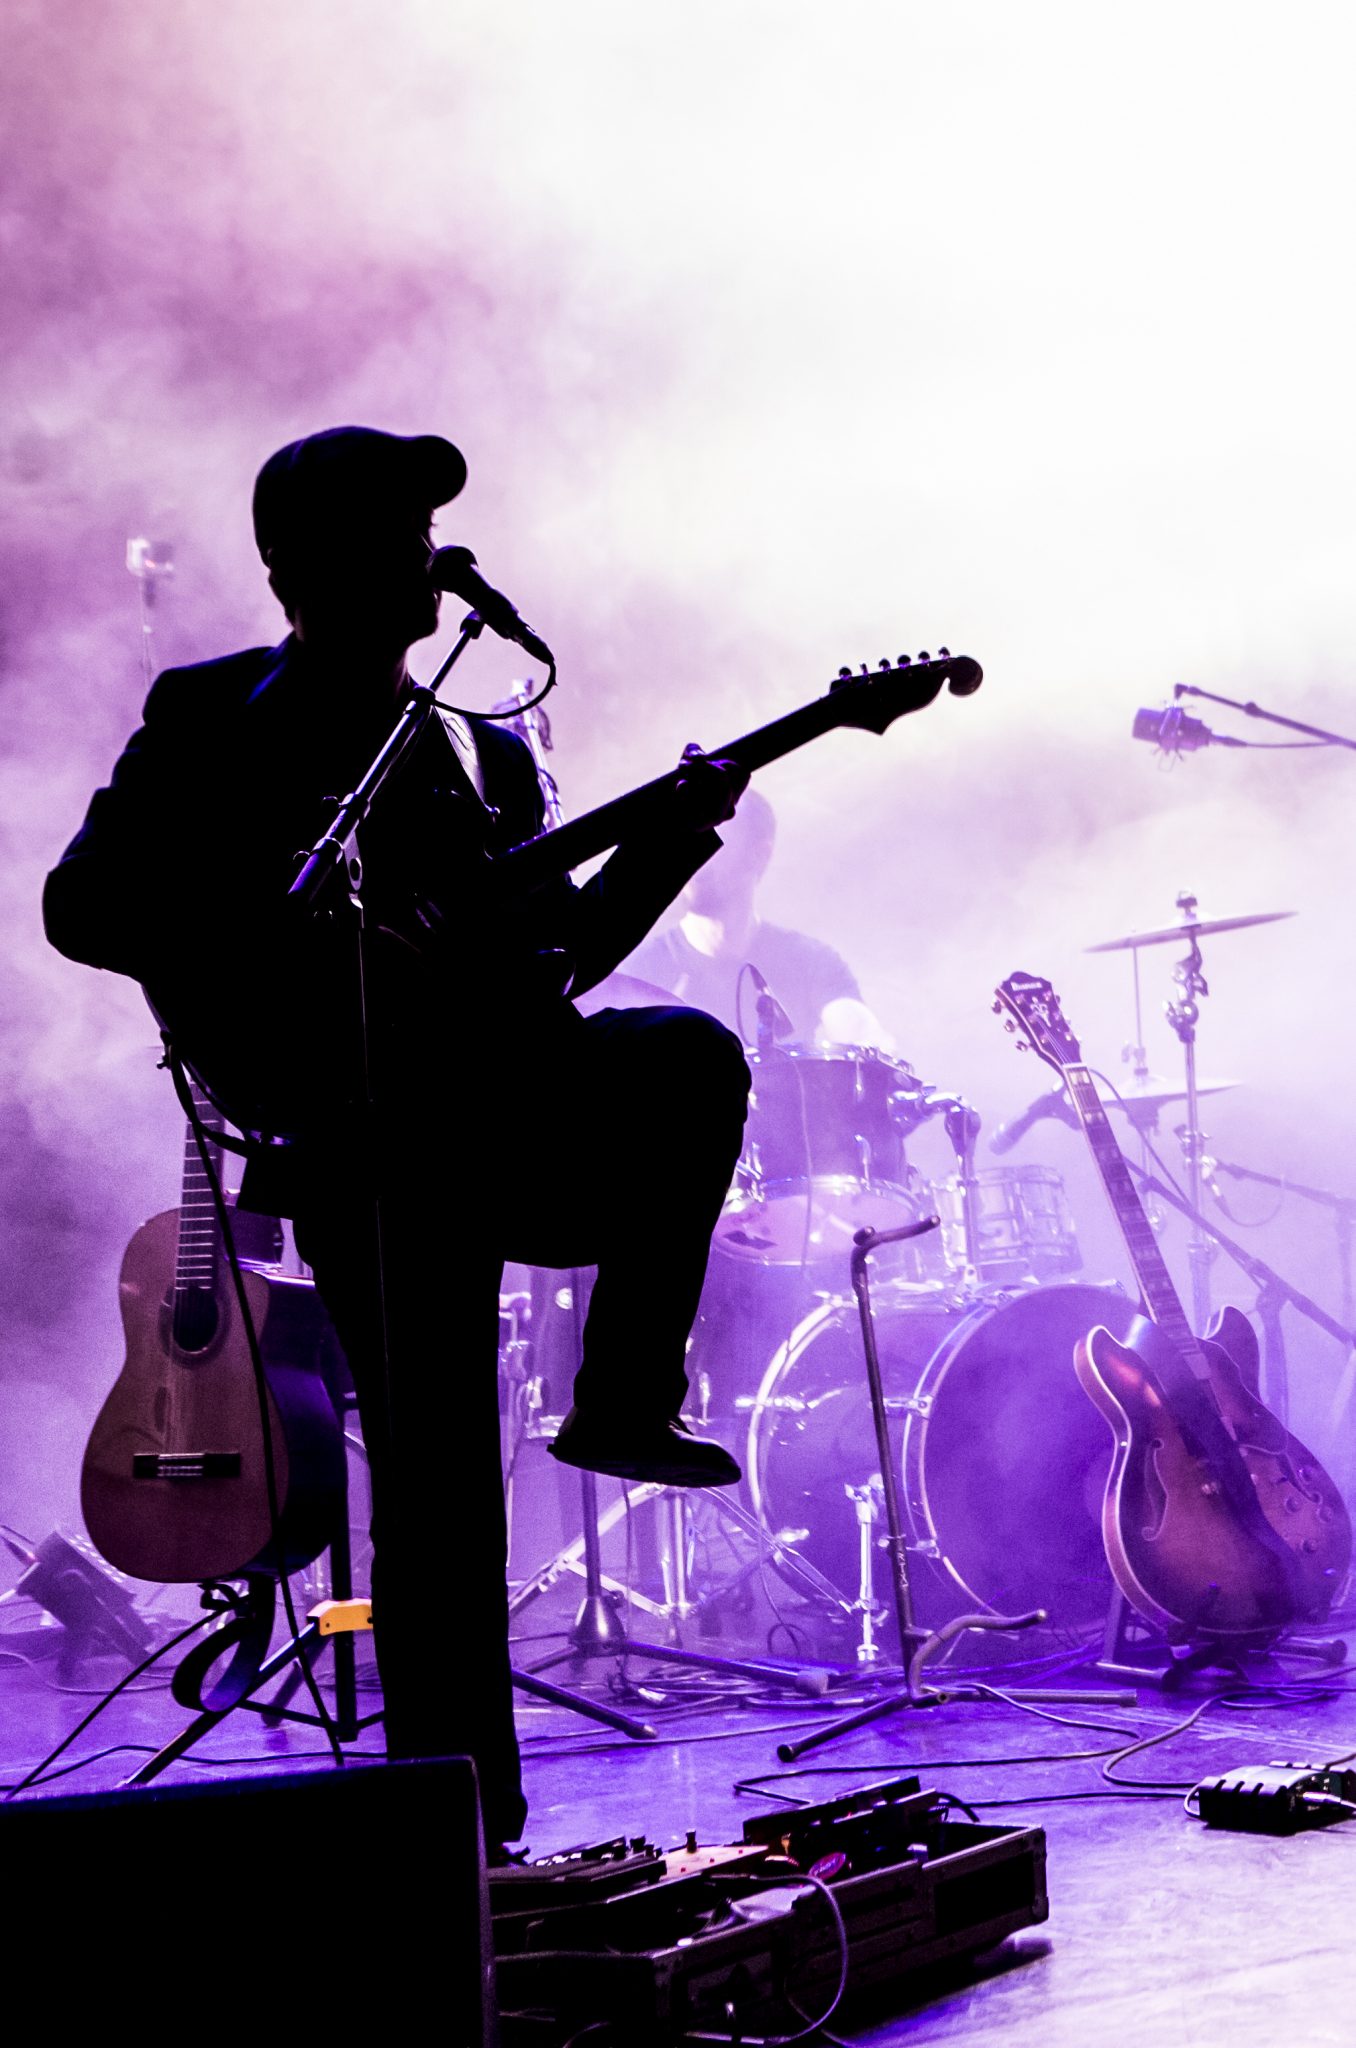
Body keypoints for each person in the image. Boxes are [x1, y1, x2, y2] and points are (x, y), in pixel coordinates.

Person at [43, 425, 752, 1849]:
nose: (430, 556)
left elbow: (559, 962)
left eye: (426, 532)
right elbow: (84, 905)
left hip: (507, 1119)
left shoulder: (484, 754)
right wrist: (277, 939)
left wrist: (671, 840)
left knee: (685, 1054)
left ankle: (623, 1394)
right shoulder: (212, 714)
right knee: (436, 1493)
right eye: (394, 533)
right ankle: (466, 1826)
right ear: (298, 570)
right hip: (361, 1142)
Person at [625, 787, 893, 1048]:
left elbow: (860, 1034)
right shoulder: (640, 970)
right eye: (689, 840)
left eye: (712, 839)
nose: (693, 856)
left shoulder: (810, 960)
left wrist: (871, 1042)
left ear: (759, 854)